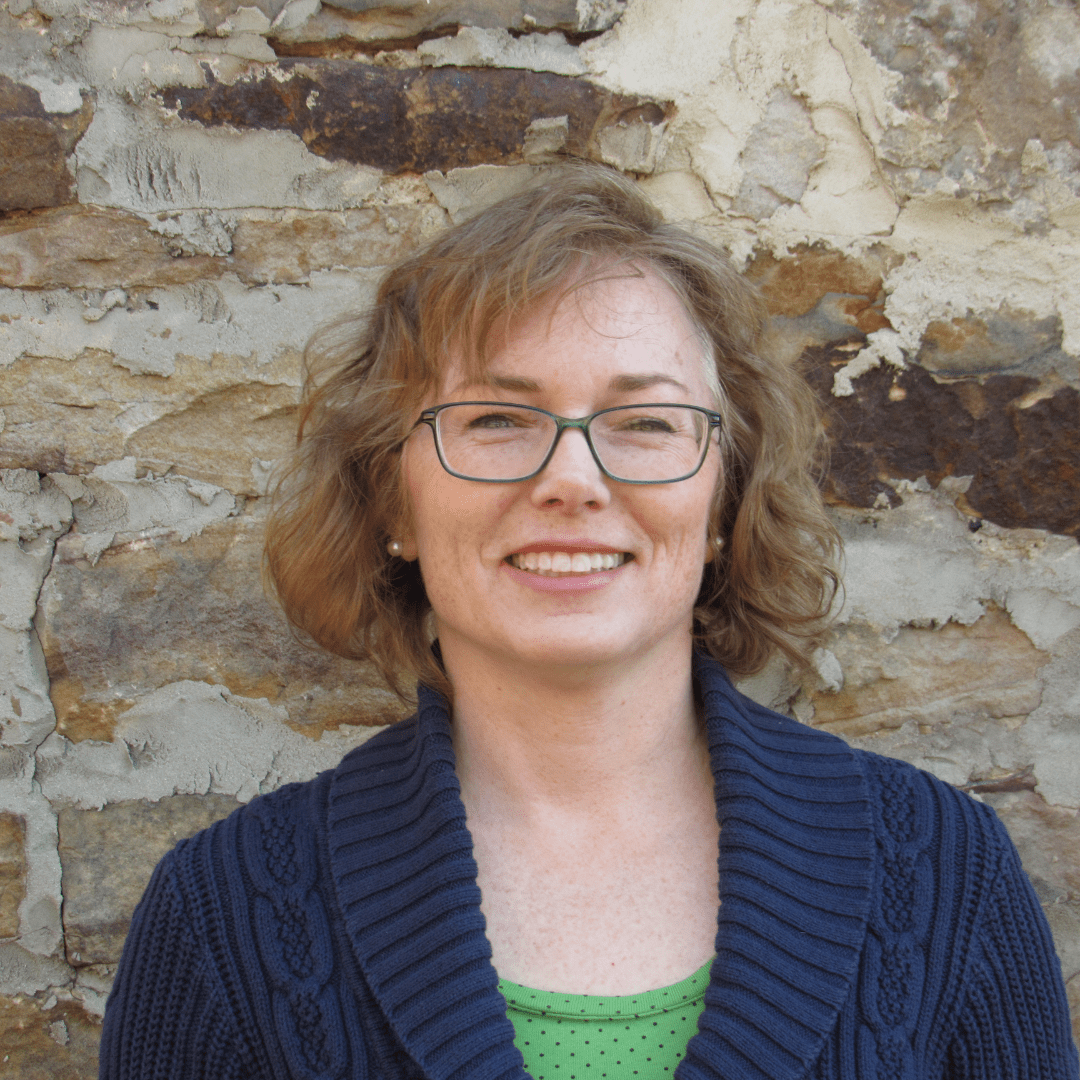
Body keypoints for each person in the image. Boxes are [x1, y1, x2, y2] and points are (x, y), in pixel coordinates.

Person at [99, 164, 1079, 1080]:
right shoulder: (223, 918)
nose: (571, 479)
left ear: (723, 502)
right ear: (393, 501)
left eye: (645, 423)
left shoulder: (947, 875)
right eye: (496, 420)